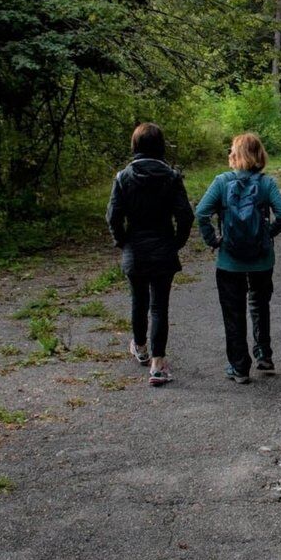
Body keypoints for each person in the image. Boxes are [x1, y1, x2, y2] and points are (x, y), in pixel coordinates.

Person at [195, 132, 281, 384]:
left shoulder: (221, 182)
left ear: (237, 155)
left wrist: (214, 240)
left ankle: (239, 367)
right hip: (262, 259)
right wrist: (267, 235)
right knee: (260, 304)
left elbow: (202, 212)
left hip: (229, 260)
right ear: (259, 155)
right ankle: (264, 354)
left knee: (233, 311)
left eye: (231, 150)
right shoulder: (266, 183)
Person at [106, 122, 194, 387]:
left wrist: (123, 242)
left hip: (136, 249)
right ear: (160, 146)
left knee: (138, 301)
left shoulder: (123, 177)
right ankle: (157, 365)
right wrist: (175, 243)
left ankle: (140, 348)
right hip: (163, 248)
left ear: (135, 146)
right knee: (159, 307)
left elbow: (113, 217)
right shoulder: (171, 177)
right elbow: (186, 216)